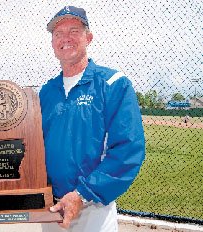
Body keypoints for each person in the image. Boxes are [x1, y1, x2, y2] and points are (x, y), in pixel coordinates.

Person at [39, 6, 145, 232]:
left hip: (92, 207)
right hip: (51, 207)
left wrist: (81, 195)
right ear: (52, 43)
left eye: (74, 30)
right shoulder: (46, 92)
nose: (65, 38)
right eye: (58, 33)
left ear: (89, 38)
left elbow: (128, 150)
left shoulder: (114, 84)